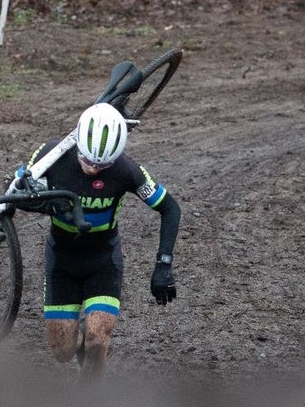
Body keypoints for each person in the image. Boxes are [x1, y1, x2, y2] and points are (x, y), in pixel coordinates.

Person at [13, 102, 181, 380]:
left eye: (101, 165)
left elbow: (170, 207)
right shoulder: (51, 154)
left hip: (102, 261)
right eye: (86, 160)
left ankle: (90, 403)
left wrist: (164, 264)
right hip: (61, 262)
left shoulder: (127, 171)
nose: (92, 168)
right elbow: (15, 192)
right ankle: (84, 353)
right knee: (62, 352)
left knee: (97, 339)